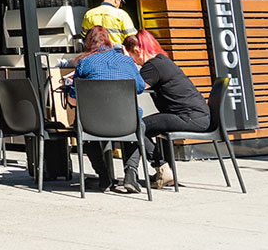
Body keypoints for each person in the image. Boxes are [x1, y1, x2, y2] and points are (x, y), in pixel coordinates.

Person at [122, 34, 210, 189]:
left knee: (135, 126)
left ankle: (161, 168)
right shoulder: (162, 62)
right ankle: (161, 170)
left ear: (136, 50)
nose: (134, 62)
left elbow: (132, 88)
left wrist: (125, 62)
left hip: (188, 117)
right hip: (196, 115)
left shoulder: (153, 66)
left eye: (132, 57)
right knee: (140, 125)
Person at [69, 26, 145, 193]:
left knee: (81, 129)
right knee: (136, 129)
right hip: (127, 122)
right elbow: (140, 87)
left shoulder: (84, 63)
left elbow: (73, 100)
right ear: (109, 41)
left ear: (88, 43)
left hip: (94, 124)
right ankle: (131, 173)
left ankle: (104, 176)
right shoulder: (126, 61)